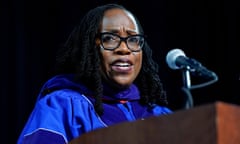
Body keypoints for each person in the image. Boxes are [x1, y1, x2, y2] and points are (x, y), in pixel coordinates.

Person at [17, 3, 172, 144]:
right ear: (90, 48)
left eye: (133, 39)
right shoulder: (63, 107)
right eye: (109, 38)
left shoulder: (160, 115)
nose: (124, 49)